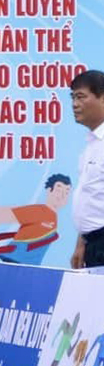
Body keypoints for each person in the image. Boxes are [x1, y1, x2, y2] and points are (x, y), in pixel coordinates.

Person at [69, 70, 104, 269]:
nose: (74, 104)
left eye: (81, 97)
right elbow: (94, 198)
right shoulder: (92, 145)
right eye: (72, 97)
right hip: (93, 244)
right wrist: (82, 241)